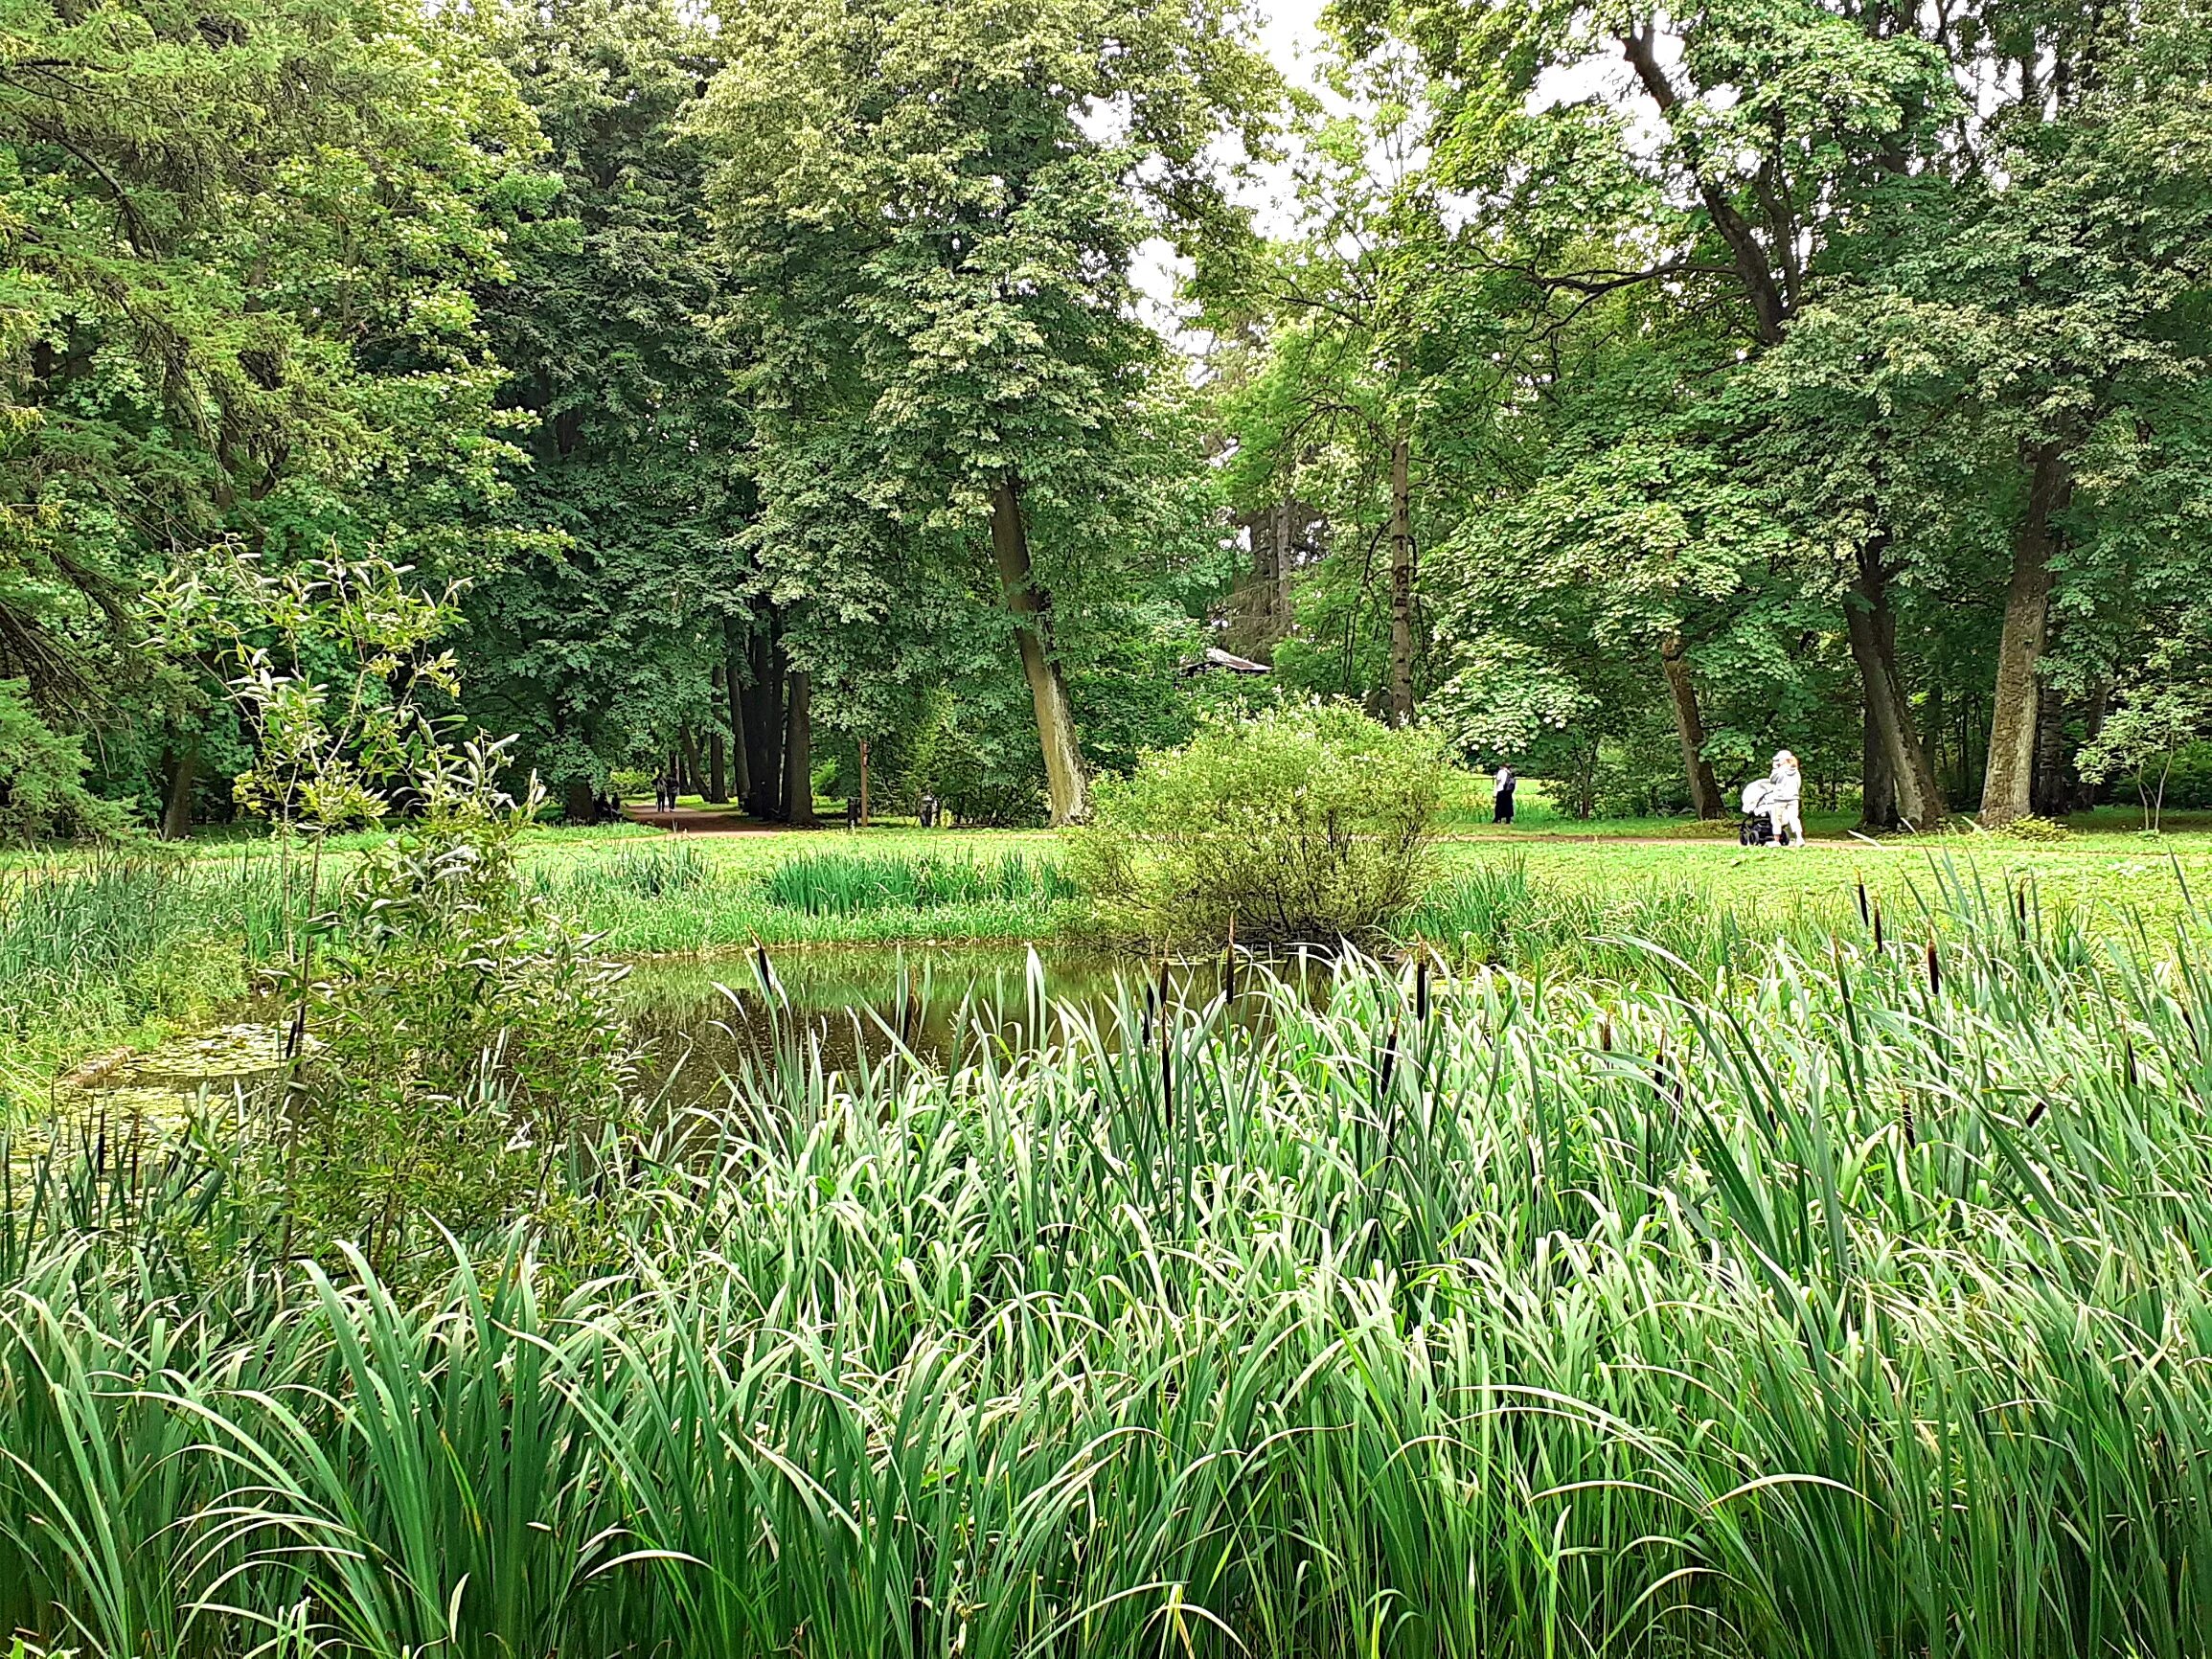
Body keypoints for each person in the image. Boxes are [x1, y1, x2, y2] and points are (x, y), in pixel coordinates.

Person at [1766, 750, 1804, 848]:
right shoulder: (1796, 770)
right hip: (1793, 798)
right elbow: (1798, 784)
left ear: (1783, 760)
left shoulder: (1779, 770)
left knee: (1776, 819)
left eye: (1779, 760)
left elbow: (1772, 780)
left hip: (1780, 798)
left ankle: (1776, 841)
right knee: (1794, 818)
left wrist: (1774, 769)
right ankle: (1799, 838)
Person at [1493, 762, 1516, 826]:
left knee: (1499, 805)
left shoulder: (1501, 772)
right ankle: (1508, 820)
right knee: (1508, 805)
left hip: (1501, 790)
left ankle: (1498, 819)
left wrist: (1496, 788)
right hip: (1508, 791)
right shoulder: (1511, 772)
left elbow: (1498, 781)